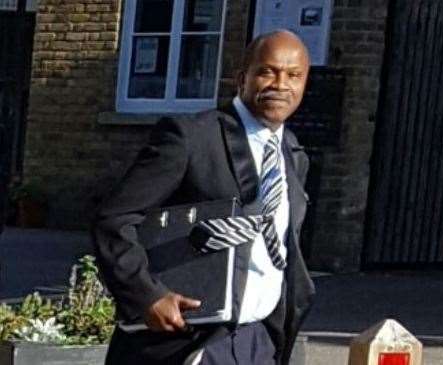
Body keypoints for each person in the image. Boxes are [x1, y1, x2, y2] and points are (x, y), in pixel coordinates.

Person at [93, 30, 315, 365]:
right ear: (242, 78)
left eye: (293, 75)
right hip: (190, 339)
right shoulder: (191, 138)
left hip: (259, 341)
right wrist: (146, 296)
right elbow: (114, 218)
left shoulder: (293, 155)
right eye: (267, 71)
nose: (280, 84)